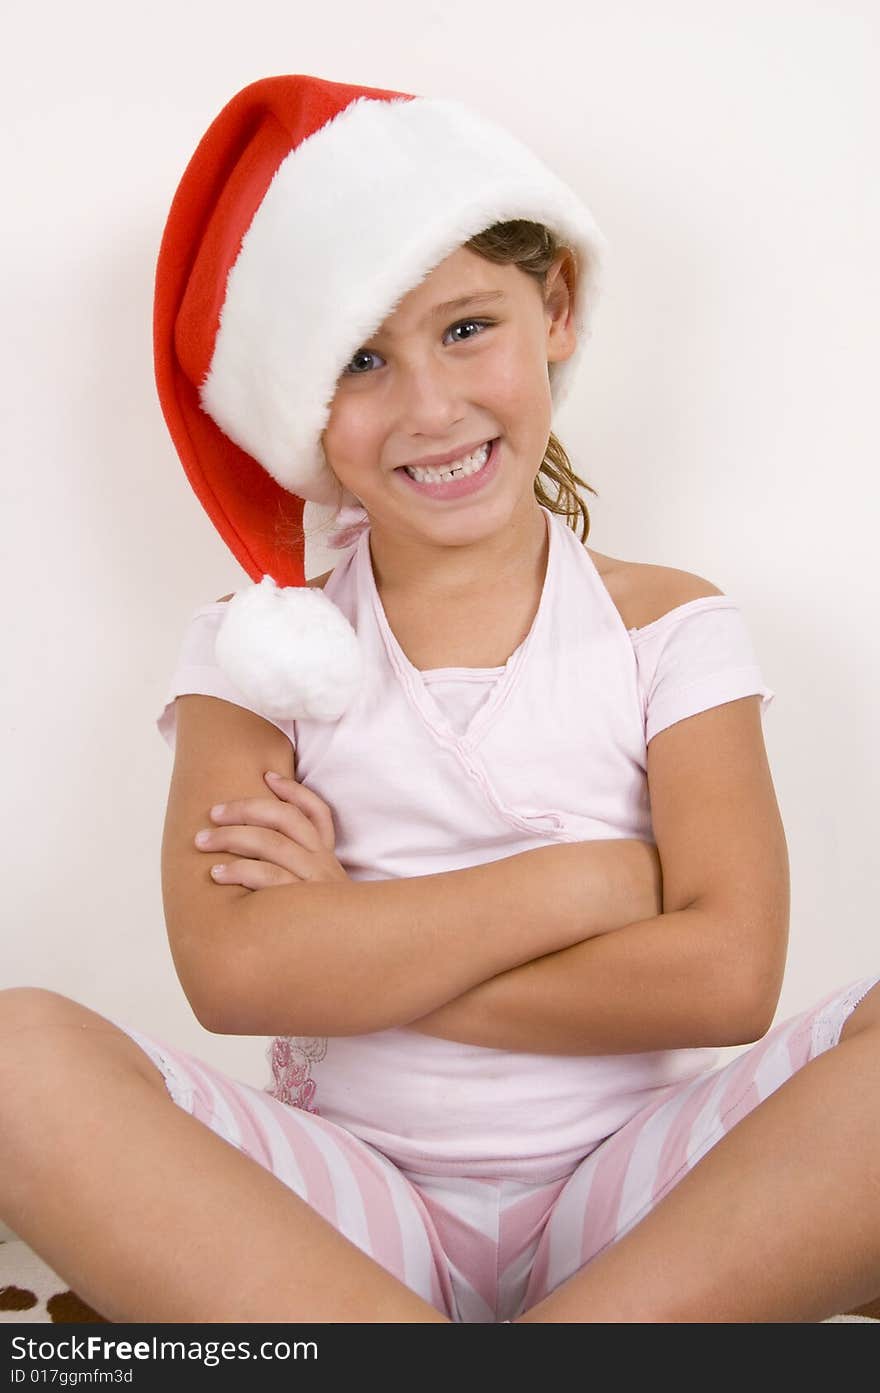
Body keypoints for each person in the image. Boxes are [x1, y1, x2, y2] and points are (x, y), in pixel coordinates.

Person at [1, 72, 878, 1327]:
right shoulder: (258, 653)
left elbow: (729, 977)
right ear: (302, 407)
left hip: (643, 1205)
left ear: (555, 308)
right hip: (343, 1212)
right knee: (15, 1051)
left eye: (467, 328)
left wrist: (351, 940)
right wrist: (583, 885)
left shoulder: (666, 625)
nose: (430, 405)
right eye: (361, 360)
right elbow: (235, 976)